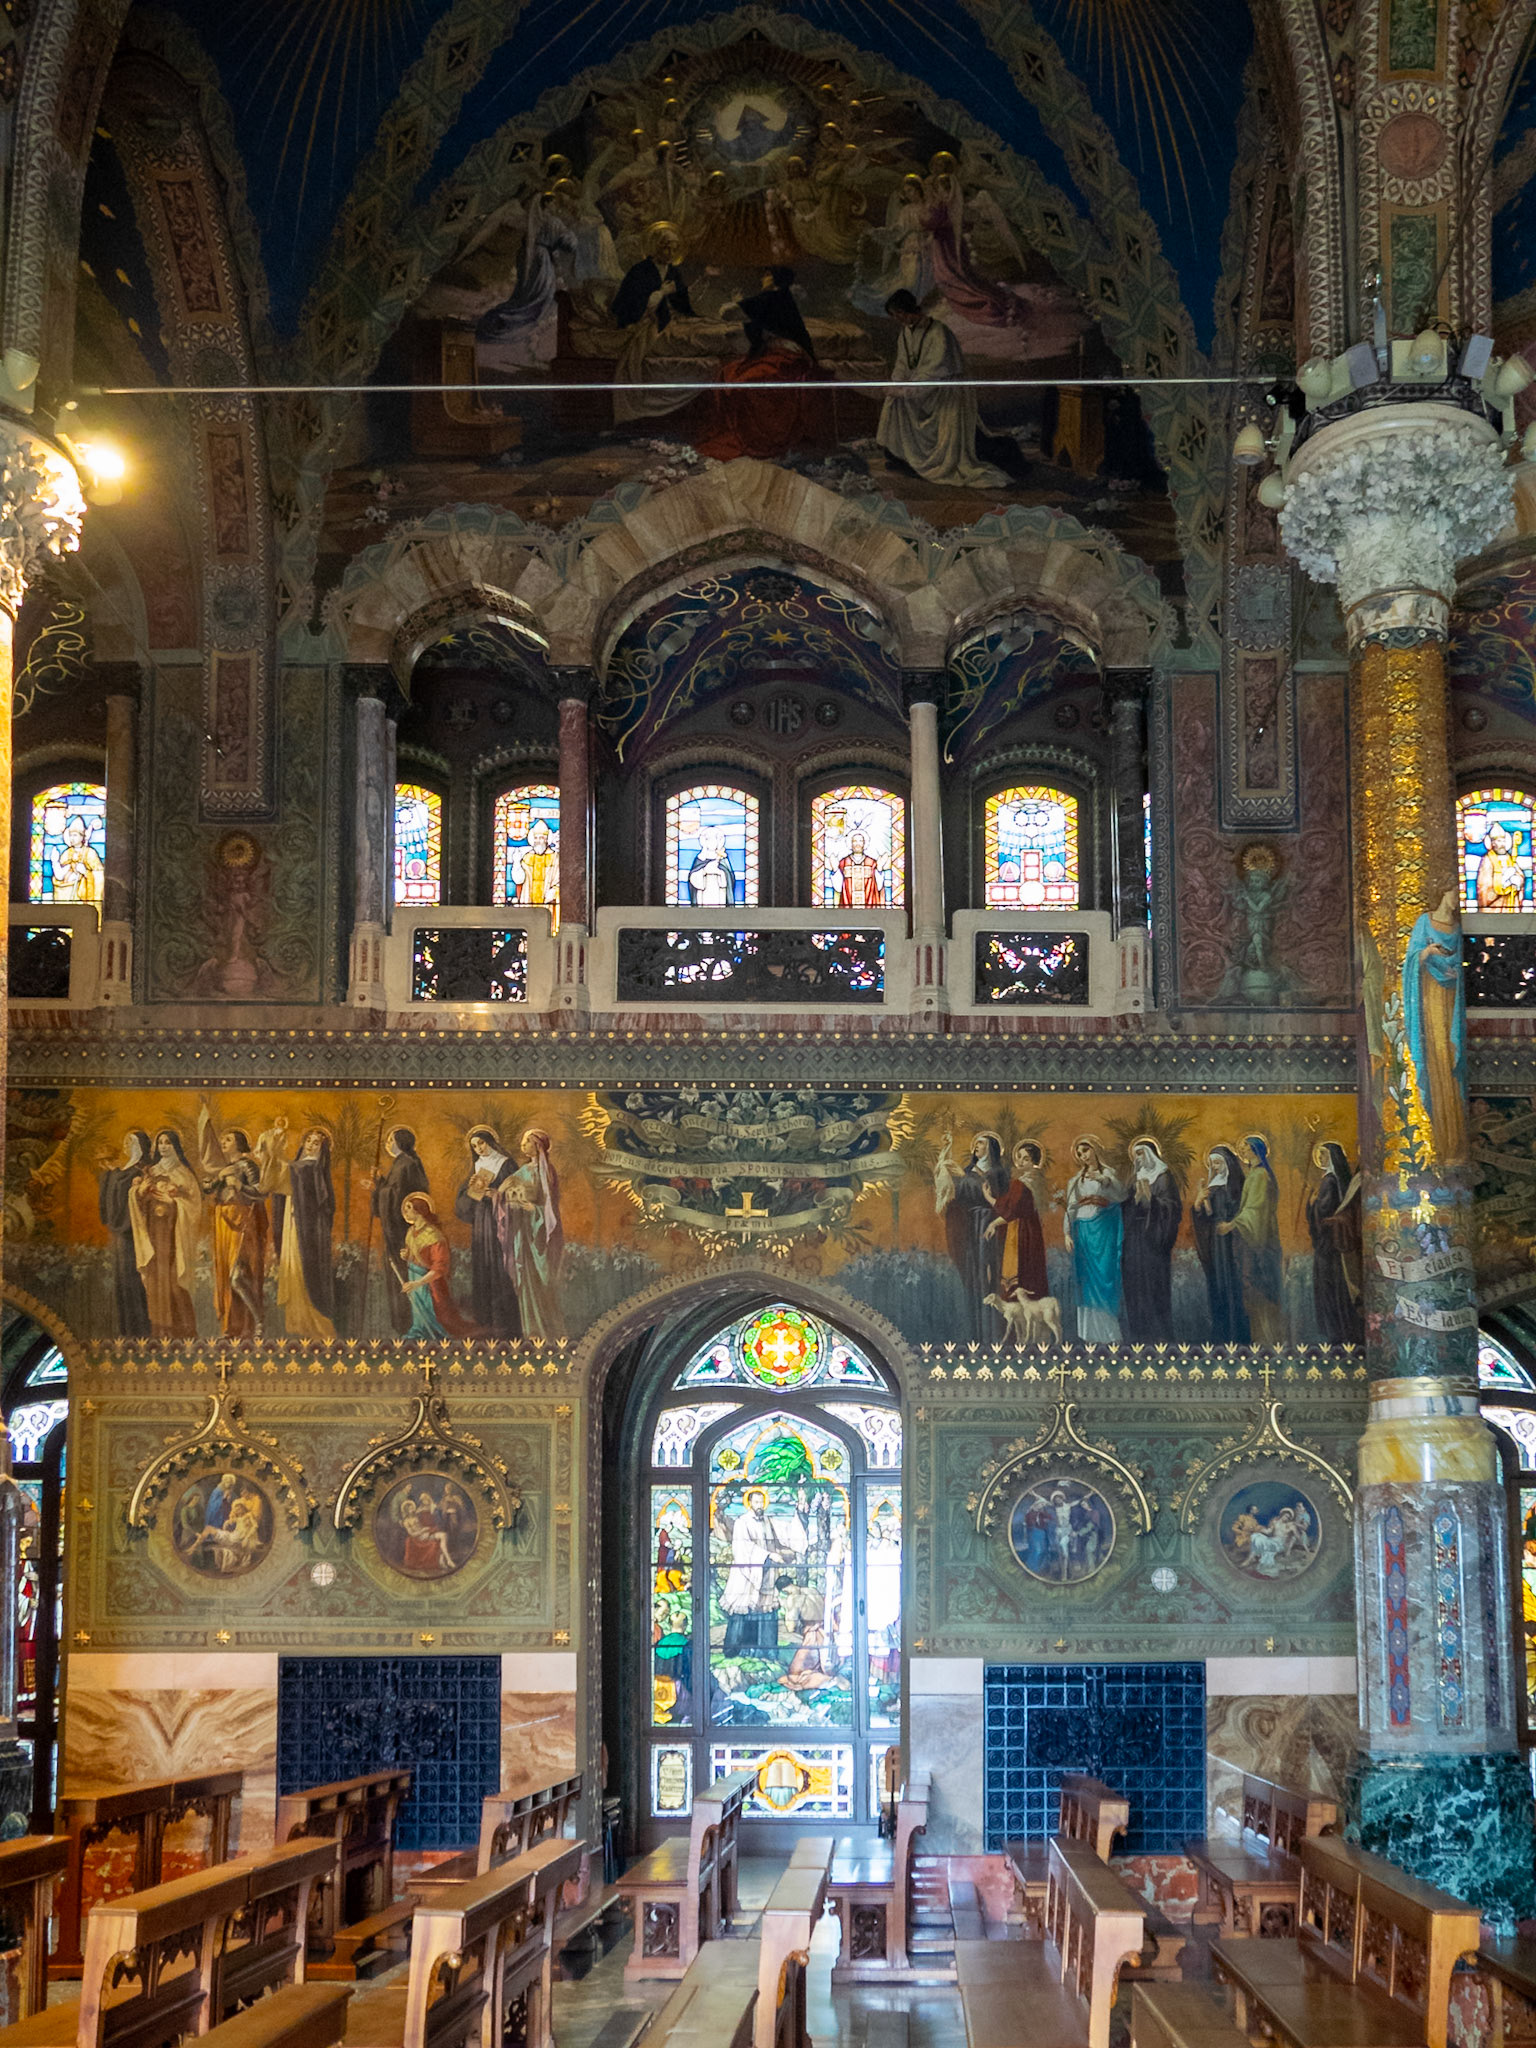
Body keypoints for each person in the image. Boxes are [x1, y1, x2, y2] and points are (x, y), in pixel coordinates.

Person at [696, 265, 832, 462]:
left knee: (742, 383)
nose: (763, 278)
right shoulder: (777, 297)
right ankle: (742, 432)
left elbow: (727, 313)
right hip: (774, 354)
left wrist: (739, 303)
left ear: (776, 278)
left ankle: (760, 437)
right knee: (728, 372)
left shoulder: (773, 297)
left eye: (767, 275)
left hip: (788, 359)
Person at [877, 290, 1007, 489]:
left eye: (899, 314)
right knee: (895, 401)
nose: (898, 319)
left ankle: (929, 461)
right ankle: (904, 456)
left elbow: (934, 372)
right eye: (895, 316)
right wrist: (896, 384)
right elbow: (902, 365)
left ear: (909, 310)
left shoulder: (939, 332)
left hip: (945, 391)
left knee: (972, 447)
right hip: (922, 388)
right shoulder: (905, 333)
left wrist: (906, 391)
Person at [1402, 888, 1469, 1166]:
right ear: (1443, 892)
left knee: (1452, 1060)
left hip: (1452, 999)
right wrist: (1428, 951)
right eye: (1454, 893)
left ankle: (1456, 1142)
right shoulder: (1424, 921)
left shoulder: (1458, 928)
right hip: (1430, 997)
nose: (1457, 900)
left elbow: (1463, 961)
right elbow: (1411, 962)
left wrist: (1457, 971)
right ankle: (1439, 1140)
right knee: (1437, 1057)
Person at [610, 223, 695, 423]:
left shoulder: (673, 272)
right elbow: (630, 305)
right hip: (646, 323)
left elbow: (683, 306)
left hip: (671, 321)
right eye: (667, 248)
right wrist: (661, 293)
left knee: (705, 328)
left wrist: (686, 309)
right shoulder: (640, 271)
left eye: (674, 249)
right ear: (656, 247)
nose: (671, 253)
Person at [197, 1105, 268, 1339]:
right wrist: (212, 1182)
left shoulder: (247, 1165)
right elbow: (209, 1190)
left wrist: (240, 1186)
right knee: (227, 1278)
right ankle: (232, 1328)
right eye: (223, 1140)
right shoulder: (225, 1168)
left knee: (237, 1277)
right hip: (223, 1222)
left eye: (228, 1140)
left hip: (243, 1221)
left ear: (239, 1143)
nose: (223, 1143)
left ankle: (258, 1320)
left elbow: (261, 1191)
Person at [934, 1131, 1010, 1340]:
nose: (976, 1146)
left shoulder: (999, 1173)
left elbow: (1002, 1201)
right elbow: (955, 1195)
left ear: (991, 1148)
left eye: (981, 1143)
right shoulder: (968, 1172)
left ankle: (993, 1330)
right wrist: (945, 1155)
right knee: (974, 1272)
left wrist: (968, 1180)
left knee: (990, 1271)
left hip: (990, 1225)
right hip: (970, 1228)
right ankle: (976, 1331)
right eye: (975, 1143)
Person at [496, 1126, 566, 1340]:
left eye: (527, 1141)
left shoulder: (546, 1172)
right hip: (523, 1235)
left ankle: (549, 1332)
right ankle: (531, 1331)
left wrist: (532, 1209)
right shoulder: (523, 1171)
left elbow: (550, 1208)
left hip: (540, 1236)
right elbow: (504, 1195)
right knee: (526, 1281)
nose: (523, 1145)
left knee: (542, 1282)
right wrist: (500, 1194)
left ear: (537, 1146)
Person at [129, 1129, 201, 1338]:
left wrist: (174, 1203)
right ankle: (160, 1330)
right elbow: (139, 1203)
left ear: (175, 1146)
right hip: (153, 1234)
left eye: (168, 1142)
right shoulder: (151, 1172)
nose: (163, 1146)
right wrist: (139, 1192)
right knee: (155, 1283)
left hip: (174, 1235)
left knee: (175, 1282)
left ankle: (185, 1331)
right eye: (160, 1142)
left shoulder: (184, 1173)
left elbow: (195, 1206)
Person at [455, 1127, 521, 1337]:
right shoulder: (477, 1167)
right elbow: (463, 1202)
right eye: (474, 1146)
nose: (479, 1149)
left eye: (481, 1143)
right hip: (481, 1223)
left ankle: (505, 1319)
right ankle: (485, 1318)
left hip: (501, 1223)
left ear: (490, 1141)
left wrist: (496, 1195)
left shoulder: (507, 1164)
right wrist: (470, 1191)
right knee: (483, 1263)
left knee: (500, 1265)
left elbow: (520, 1194)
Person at [1220, 1134, 1285, 1344]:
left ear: (1256, 1151)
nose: (1243, 1151)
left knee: (1259, 1291)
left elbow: (1254, 1211)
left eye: (1246, 1148)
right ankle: (1261, 1339)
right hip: (1257, 1237)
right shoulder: (1255, 1174)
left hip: (1260, 1241)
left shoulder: (1260, 1176)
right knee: (1254, 1294)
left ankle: (1267, 1341)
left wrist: (1231, 1225)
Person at [1064, 1136, 1125, 1341]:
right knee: (1087, 1280)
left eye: (1086, 1150)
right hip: (1083, 1231)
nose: (1083, 1156)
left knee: (1105, 1275)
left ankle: (1109, 1333)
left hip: (1104, 1229)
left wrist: (1103, 1180)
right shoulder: (1076, 1181)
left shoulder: (1109, 1174)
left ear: (1095, 1149)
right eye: (1079, 1153)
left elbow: (1121, 1196)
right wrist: (1066, 1233)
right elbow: (1070, 1207)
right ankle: (1089, 1333)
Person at [1121, 1138, 1182, 1341]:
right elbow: (1125, 1210)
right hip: (1133, 1241)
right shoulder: (1134, 1179)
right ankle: (1139, 1336)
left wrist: (1152, 1201)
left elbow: (1172, 1208)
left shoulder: (1163, 1177)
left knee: (1154, 1287)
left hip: (1154, 1241)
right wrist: (1135, 1200)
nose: (1137, 1159)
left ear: (1150, 1155)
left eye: (1140, 1153)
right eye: (1135, 1155)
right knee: (1135, 1286)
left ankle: (1160, 1338)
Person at [279, 1128, 336, 1340]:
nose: (311, 1145)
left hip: (306, 1229)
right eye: (309, 1141)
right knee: (295, 1267)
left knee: (305, 1269)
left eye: (316, 1143)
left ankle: (314, 1325)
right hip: (294, 1225)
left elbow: (319, 1203)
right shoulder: (299, 1166)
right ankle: (297, 1324)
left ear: (322, 1149)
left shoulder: (312, 1168)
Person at [372, 1128, 430, 1335]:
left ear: (400, 1142)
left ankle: (407, 1322)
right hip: (396, 1229)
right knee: (397, 1271)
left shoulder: (407, 1164)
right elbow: (392, 1192)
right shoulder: (401, 1164)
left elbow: (403, 1197)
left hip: (402, 1230)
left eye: (391, 1139)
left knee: (404, 1272)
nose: (387, 1143)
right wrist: (380, 1183)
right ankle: (401, 1322)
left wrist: (380, 1188)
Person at [399, 1193, 480, 1340]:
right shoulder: (410, 1232)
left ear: (419, 1211)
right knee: (418, 1312)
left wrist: (418, 1283)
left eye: (409, 1208)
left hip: (430, 1284)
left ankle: (434, 1332)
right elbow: (415, 1255)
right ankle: (419, 1330)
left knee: (435, 1316)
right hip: (413, 1278)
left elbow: (439, 1267)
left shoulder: (434, 1235)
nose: (405, 1212)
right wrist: (406, 1255)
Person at [1192, 1146, 1250, 1343]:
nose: (1215, 1167)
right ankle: (1221, 1336)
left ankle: (1237, 1336)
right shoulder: (1213, 1185)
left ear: (1227, 1163)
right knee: (1217, 1285)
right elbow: (1206, 1217)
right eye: (1212, 1164)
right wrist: (1199, 1203)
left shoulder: (1237, 1185)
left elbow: (1242, 1212)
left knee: (1233, 1285)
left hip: (1232, 1242)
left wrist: (1230, 1224)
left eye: (1217, 1162)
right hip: (1215, 1244)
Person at [1308, 1141, 1363, 1344]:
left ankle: (1336, 1333)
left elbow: (1325, 1209)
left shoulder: (1329, 1181)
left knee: (1331, 1286)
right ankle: (1340, 1331)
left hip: (1329, 1243)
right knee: (1334, 1285)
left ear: (1332, 1158)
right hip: (1331, 1240)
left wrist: (1313, 1203)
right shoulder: (1334, 1180)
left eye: (1324, 1155)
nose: (1320, 1159)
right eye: (1319, 1155)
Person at [99, 1130, 152, 1337]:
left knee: (134, 1278)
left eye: (130, 1142)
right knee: (123, 1278)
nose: (125, 1146)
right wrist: (110, 1175)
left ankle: (140, 1329)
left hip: (133, 1233)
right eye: (125, 1142)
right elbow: (111, 1200)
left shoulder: (140, 1172)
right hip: (122, 1232)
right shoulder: (123, 1171)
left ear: (139, 1146)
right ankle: (127, 1328)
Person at [984, 1139, 1049, 1301]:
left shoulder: (1020, 1184)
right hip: (1032, 1231)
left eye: (1025, 1159)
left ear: (1034, 1162)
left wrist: (992, 1217)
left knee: (1020, 1269)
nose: (1020, 1161)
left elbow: (1011, 1209)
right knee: (1031, 1269)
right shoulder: (1037, 1181)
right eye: (1019, 1157)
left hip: (1021, 1232)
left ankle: (1018, 1306)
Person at [720, 1488, 782, 1658]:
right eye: (756, 1502)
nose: (759, 1505)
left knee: (764, 1611)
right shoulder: (742, 1522)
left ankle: (764, 1652)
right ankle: (735, 1651)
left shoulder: (767, 1521)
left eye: (762, 1502)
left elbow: (774, 1542)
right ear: (749, 1503)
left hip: (766, 1573)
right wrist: (768, 1555)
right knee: (743, 1610)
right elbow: (742, 1547)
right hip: (745, 1573)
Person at [1477, 822, 1525, 911]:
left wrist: (1518, 880)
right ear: (1493, 843)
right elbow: (1484, 885)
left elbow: (1520, 874)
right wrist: (1503, 881)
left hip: (1510, 903)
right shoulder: (1488, 860)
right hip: (1494, 907)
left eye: (1504, 841)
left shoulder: (1510, 858)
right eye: (1499, 841)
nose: (1502, 844)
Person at [687, 824, 737, 907]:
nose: (712, 842)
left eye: (716, 839)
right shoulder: (700, 858)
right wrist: (704, 871)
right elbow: (692, 879)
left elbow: (730, 879)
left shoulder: (723, 859)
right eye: (708, 839)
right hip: (703, 896)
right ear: (704, 841)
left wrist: (720, 872)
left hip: (719, 895)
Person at [836, 831, 886, 907]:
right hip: (847, 904)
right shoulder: (844, 862)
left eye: (860, 841)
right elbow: (838, 887)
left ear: (864, 843)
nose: (857, 844)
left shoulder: (872, 863)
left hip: (869, 905)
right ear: (850, 843)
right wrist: (835, 870)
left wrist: (879, 869)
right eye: (855, 841)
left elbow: (878, 886)